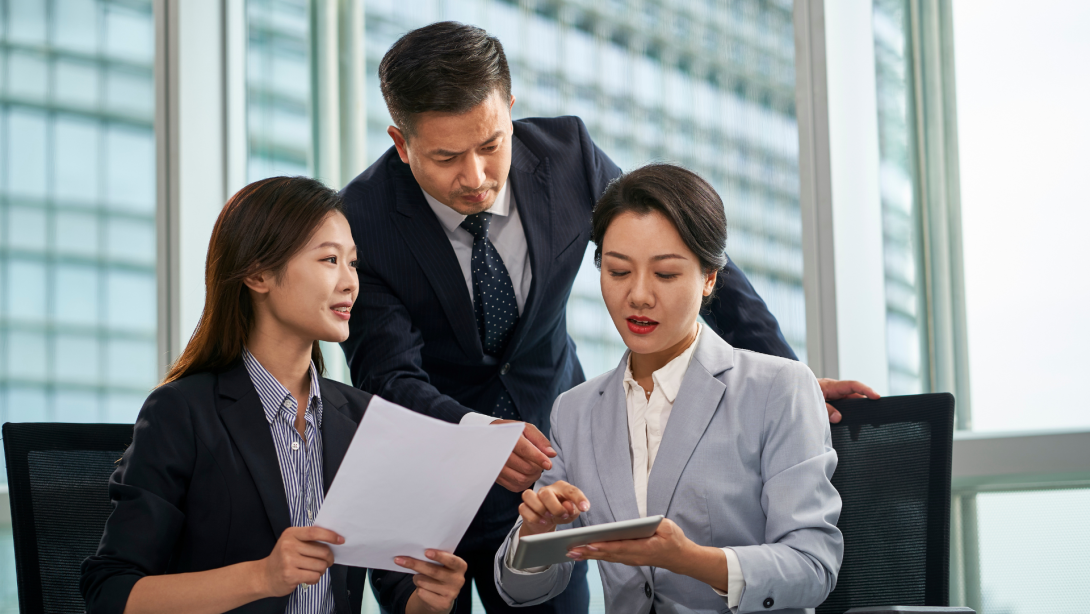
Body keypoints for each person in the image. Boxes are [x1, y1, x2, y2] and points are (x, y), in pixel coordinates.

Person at [340, 21, 868, 614]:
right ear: (401, 141)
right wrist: (473, 434)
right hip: (430, 479)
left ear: (509, 110)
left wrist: (781, 376)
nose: (476, 177)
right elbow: (386, 376)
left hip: (552, 470)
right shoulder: (362, 220)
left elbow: (687, 249)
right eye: (445, 157)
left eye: (491, 145)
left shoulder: (565, 156)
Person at [80, 177, 467, 614]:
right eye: (329, 259)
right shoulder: (181, 412)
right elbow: (110, 593)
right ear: (258, 273)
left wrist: (431, 599)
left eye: (353, 263)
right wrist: (262, 577)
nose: (350, 283)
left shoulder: (363, 419)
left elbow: (400, 594)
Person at [493, 164, 843, 613]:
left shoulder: (779, 389)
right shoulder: (575, 410)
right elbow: (522, 591)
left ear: (710, 277)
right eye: (618, 272)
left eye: (665, 275)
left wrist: (691, 561)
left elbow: (814, 567)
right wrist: (536, 533)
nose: (638, 295)